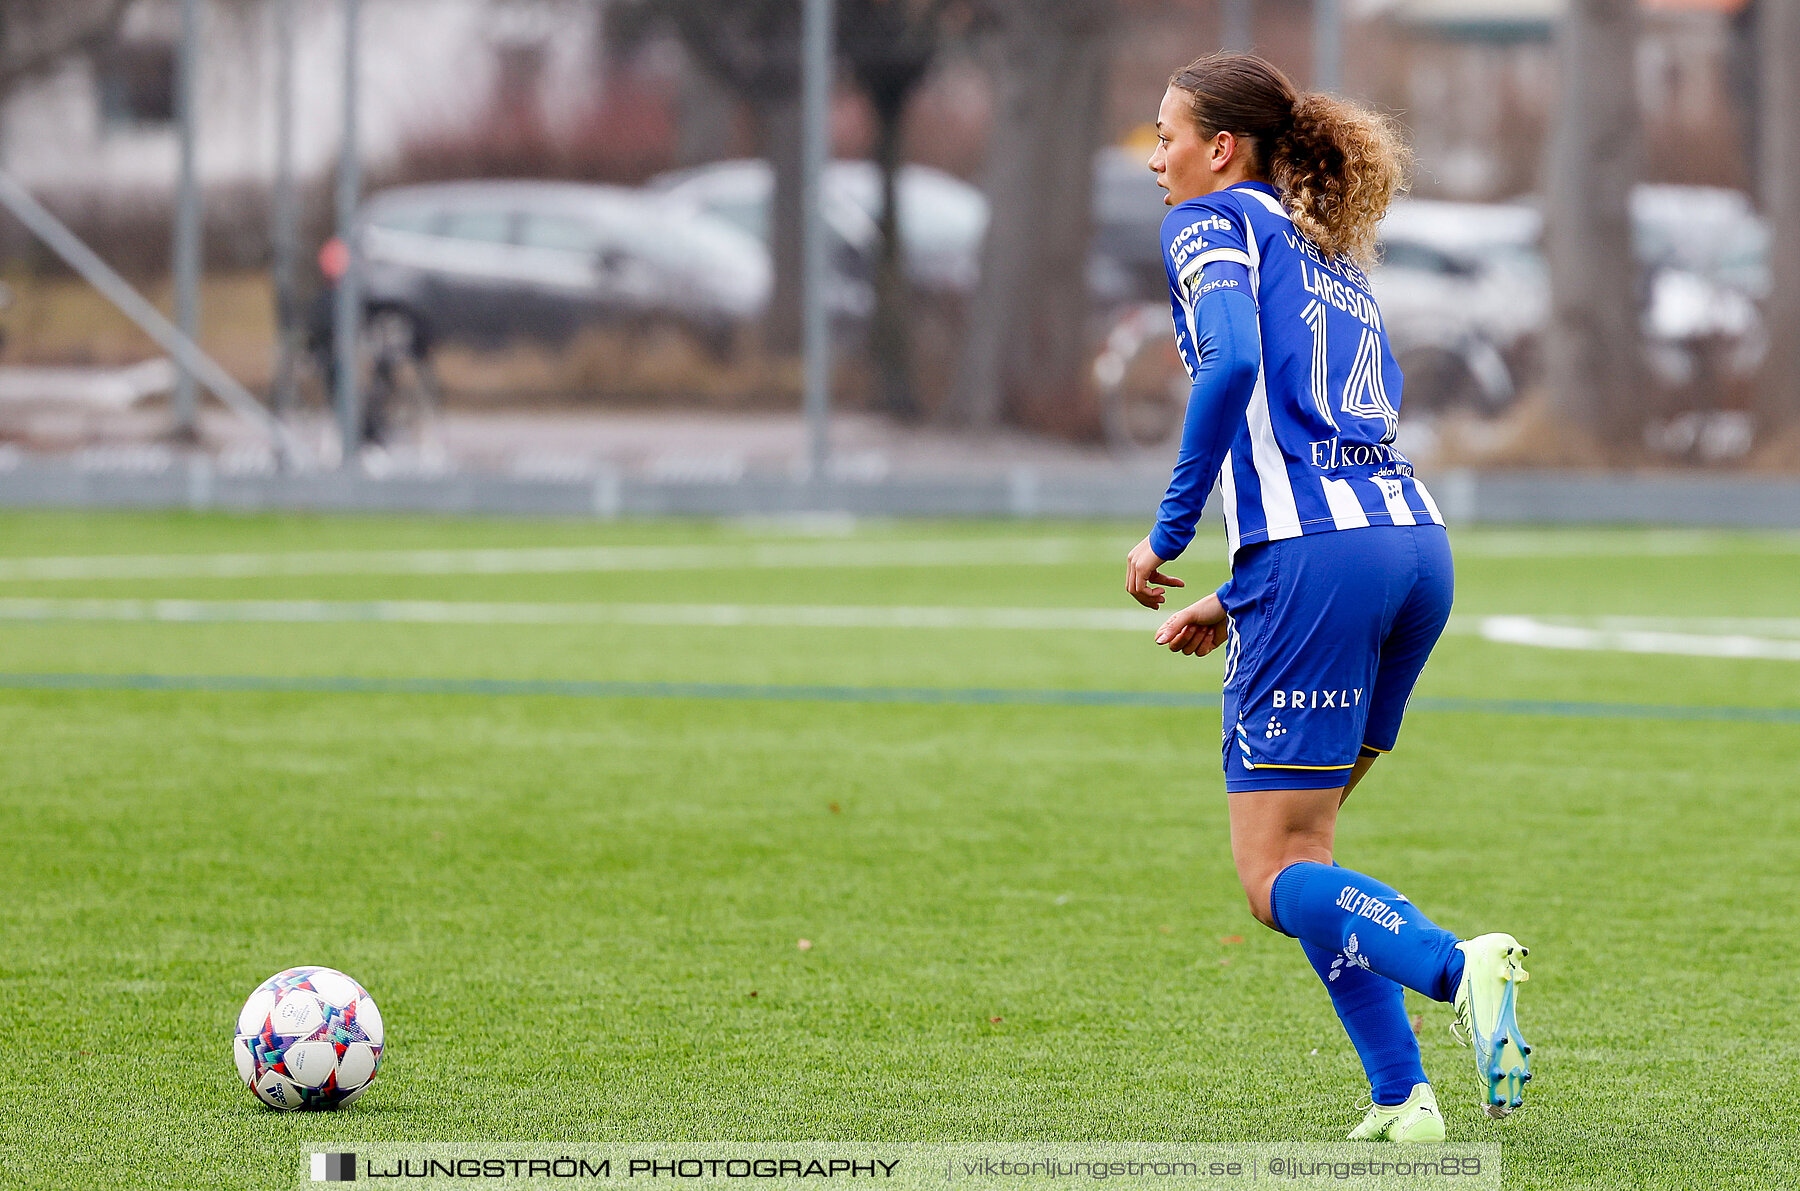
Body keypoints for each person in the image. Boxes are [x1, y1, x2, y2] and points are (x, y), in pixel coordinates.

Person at [1124, 53, 1531, 1142]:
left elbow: (1229, 369)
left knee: (1273, 876)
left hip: (1319, 561)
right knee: (1312, 856)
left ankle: (1458, 971)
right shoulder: (1324, 250)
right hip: (1410, 549)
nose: (1153, 155)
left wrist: (1168, 534)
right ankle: (1402, 1098)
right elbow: (1336, 436)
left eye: (1166, 134)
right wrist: (1240, 588)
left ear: (1223, 149)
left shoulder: (1213, 223)